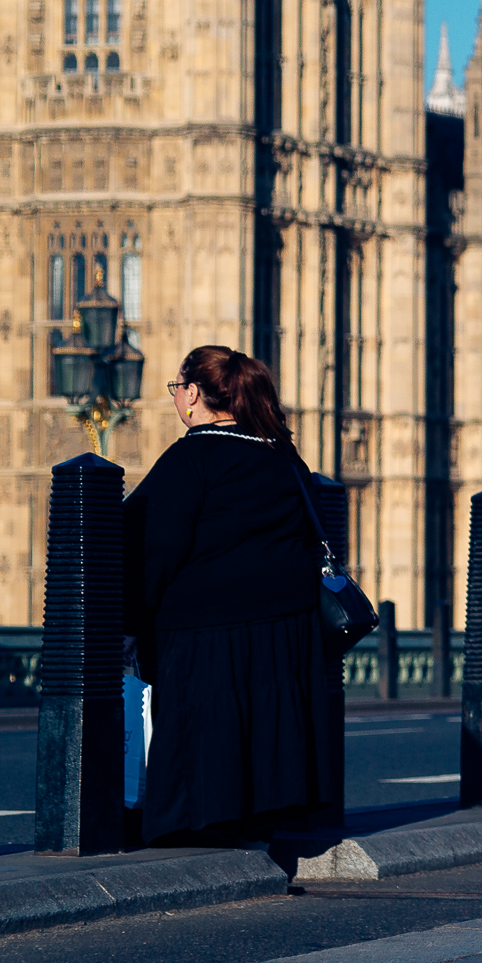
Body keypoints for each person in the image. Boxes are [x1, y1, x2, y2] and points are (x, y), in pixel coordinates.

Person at [123, 346, 344, 846]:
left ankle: (198, 826)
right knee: (266, 725)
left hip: (204, 626)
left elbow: (154, 546)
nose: (176, 397)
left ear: (193, 394)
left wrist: (131, 620)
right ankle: (262, 817)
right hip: (286, 625)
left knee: (204, 727)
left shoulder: (191, 457)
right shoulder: (284, 458)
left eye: (177, 387)